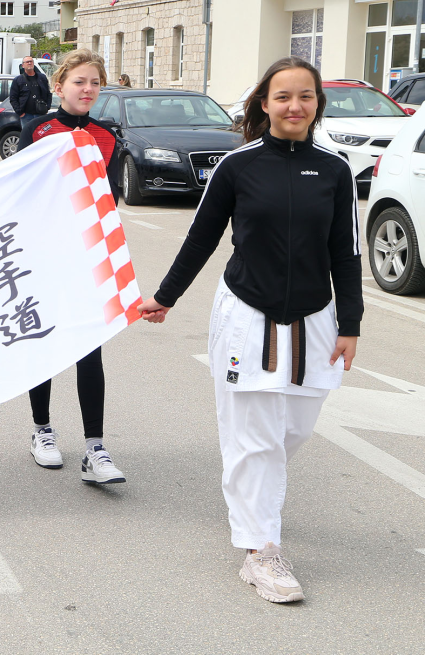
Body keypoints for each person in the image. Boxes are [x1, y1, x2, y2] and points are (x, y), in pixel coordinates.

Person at [136, 56, 361, 604]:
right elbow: (201, 238)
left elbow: (346, 254)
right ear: (264, 103)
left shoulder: (334, 170)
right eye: (283, 96)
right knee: (254, 434)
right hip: (247, 315)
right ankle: (262, 549)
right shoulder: (237, 166)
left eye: (304, 96)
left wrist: (350, 324)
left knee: (294, 429)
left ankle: (256, 503)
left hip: (313, 318)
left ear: (316, 105)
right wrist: (165, 297)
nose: (294, 106)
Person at [17, 48, 125, 484]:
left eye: (95, 82)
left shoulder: (107, 137)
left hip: (87, 258)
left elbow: (111, 200)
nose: (88, 89)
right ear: (59, 86)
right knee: (43, 344)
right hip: (42, 257)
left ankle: (95, 449)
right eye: (79, 81)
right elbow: (19, 194)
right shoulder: (36, 129)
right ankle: (42, 431)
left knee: (89, 349)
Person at [10, 55, 52, 126]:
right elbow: (13, 97)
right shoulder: (18, 80)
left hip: (41, 115)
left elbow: (48, 93)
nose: (29, 63)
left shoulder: (42, 77)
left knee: (40, 136)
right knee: (28, 136)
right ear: (23, 65)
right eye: (27, 62)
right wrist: (20, 113)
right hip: (26, 116)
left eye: (31, 61)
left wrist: (47, 107)